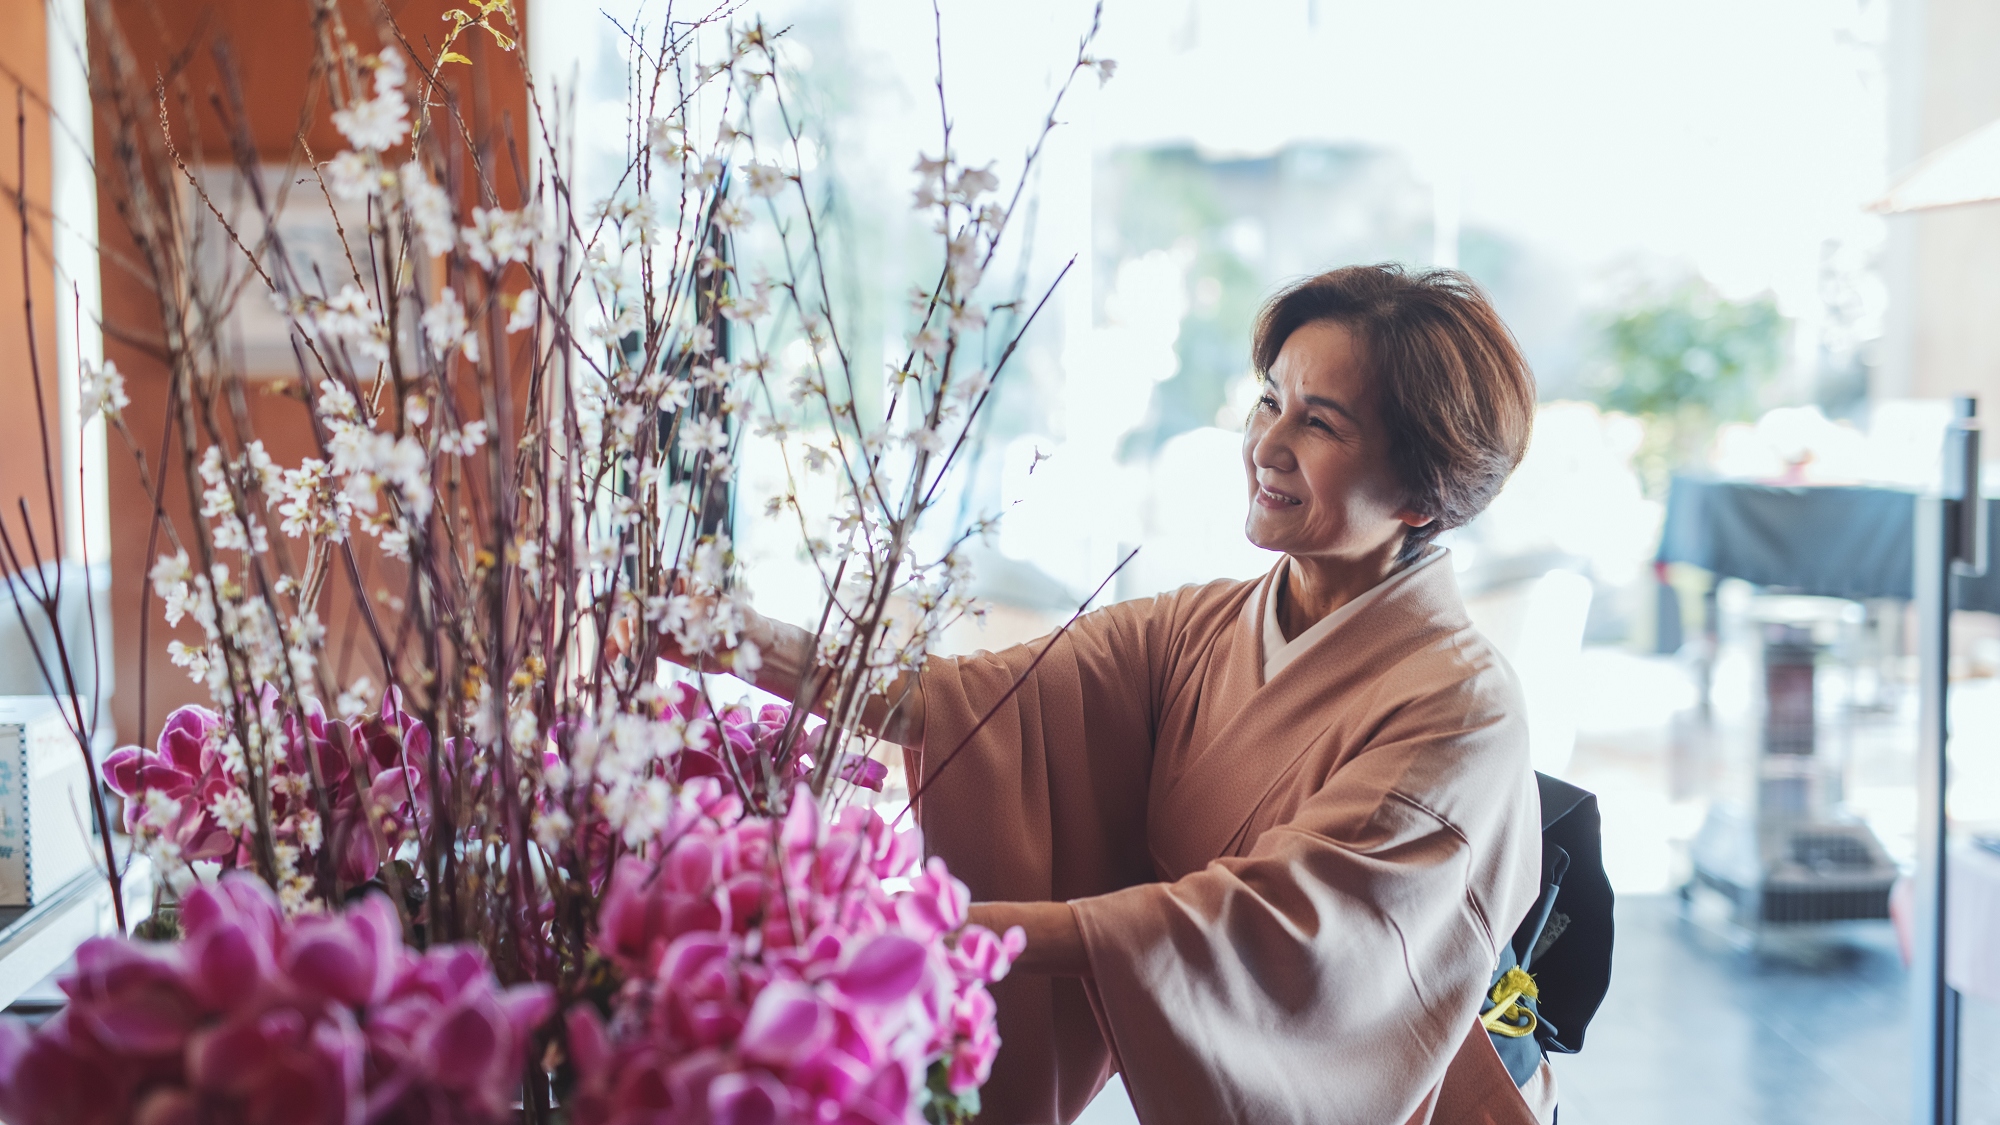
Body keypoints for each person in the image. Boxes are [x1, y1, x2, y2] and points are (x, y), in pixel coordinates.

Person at [732, 264, 1548, 1124]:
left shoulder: (1464, 710)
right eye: (1270, 402)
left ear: (1424, 493)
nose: (1268, 447)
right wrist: (731, 638)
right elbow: (963, 706)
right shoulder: (1201, 628)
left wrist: (938, 930)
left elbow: (1270, 933)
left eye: (1320, 424)